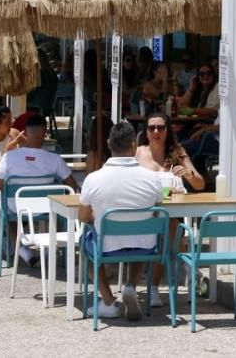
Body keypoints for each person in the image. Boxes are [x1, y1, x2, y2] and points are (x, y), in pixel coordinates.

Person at [78, 120, 164, 321]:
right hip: (145, 247)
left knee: (85, 242)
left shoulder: (93, 179)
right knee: (141, 234)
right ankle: (131, 286)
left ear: (109, 144)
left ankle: (108, 301)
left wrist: (99, 216)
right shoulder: (153, 179)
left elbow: (83, 217)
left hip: (106, 246)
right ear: (134, 145)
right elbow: (157, 213)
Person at [136, 112, 206, 304]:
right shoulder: (139, 152)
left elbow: (200, 184)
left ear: (168, 131)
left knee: (166, 226)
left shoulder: (176, 152)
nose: (156, 131)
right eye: (151, 128)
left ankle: (154, 289)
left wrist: (188, 175)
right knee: (167, 226)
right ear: (146, 131)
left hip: (168, 209)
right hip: (143, 209)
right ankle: (190, 269)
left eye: (161, 127)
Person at [0, 113, 78, 265]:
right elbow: (72, 187)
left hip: (16, 206)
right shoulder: (55, 159)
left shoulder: (9, 157)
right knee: (60, 210)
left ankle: (23, 251)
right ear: (45, 132)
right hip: (45, 207)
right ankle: (51, 248)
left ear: (24, 132)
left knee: (6, 215)